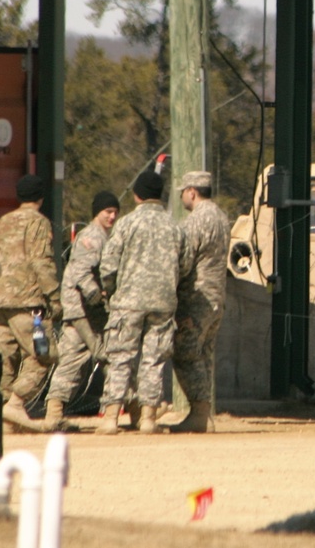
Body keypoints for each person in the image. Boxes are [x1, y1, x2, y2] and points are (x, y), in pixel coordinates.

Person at [97, 171, 189, 435]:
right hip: (163, 302)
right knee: (154, 360)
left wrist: (110, 291)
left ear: (137, 195)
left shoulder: (126, 224)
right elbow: (183, 266)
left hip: (128, 301)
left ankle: (110, 418)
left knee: (120, 358)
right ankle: (148, 418)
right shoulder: (174, 226)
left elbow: (108, 265)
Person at [41, 190, 119, 432]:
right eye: (108, 212)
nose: (113, 216)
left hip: (79, 311)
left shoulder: (100, 236)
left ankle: (54, 413)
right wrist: (98, 296)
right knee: (112, 355)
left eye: (116, 212)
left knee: (71, 360)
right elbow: (81, 273)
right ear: (98, 212)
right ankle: (126, 408)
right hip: (87, 311)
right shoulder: (92, 237)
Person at [0, 174, 61, 432]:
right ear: (40, 197)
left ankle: (4, 418)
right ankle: (16, 404)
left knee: (5, 359)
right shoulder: (39, 223)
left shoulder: (0, 223)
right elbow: (41, 262)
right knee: (44, 354)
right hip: (29, 302)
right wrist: (54, 296)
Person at [171, 170, 230, 433]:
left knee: (185, 353)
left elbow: (184, 260)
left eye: (183, 192)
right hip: (217, 296)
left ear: (192, 192)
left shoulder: (195, 221)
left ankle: (198, 411)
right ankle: (204, 414)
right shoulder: (221, 216)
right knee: (204, 354)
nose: (183, 197)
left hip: (196, 297)